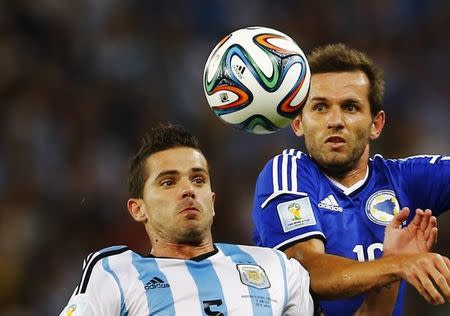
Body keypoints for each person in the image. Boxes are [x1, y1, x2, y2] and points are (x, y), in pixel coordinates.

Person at [251, 43, 450, 315]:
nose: (335, 120)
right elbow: (307, 268)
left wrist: (394, 263)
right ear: (298, 122)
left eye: (350, 107)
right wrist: (397, 265)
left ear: (375, 125)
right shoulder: (288, 173)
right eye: (320, 107)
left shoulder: (403, 179)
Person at [59, 123, 315, 315]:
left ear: (212, 202)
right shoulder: (115, 272)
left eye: (198, 179)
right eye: (168, 182)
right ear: (138, 209)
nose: (188, 190)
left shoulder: (277, 268)